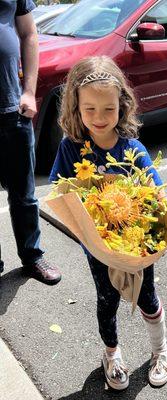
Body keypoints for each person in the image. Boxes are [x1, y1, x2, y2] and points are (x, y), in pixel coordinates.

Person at [50, 56, 167, 390]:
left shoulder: (132, 149)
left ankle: (160, 350)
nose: (99, 118)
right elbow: (61, 190)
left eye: (108, 109)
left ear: (123, 105)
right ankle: (111, 353)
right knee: (107, 300)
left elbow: (156, 192)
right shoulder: (72, 150)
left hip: (136, 246)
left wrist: (152, 199)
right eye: (89, 109)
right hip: (98, 246)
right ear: (75, 107)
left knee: (147, 296)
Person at [0, 0, 61, 284]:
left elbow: (28, 34)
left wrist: (29, 91)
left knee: (24, 195)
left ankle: (32, 256)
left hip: (13, 109)